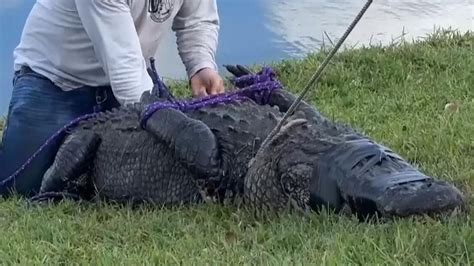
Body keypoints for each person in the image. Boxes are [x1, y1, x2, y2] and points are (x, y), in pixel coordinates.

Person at [0, 0, 225, 197]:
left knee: (165, 173)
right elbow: (127, 74)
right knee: (18, 187)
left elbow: (198, 18)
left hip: (127, 78)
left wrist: (200, 65)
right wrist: (169, 120)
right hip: (55, 80)